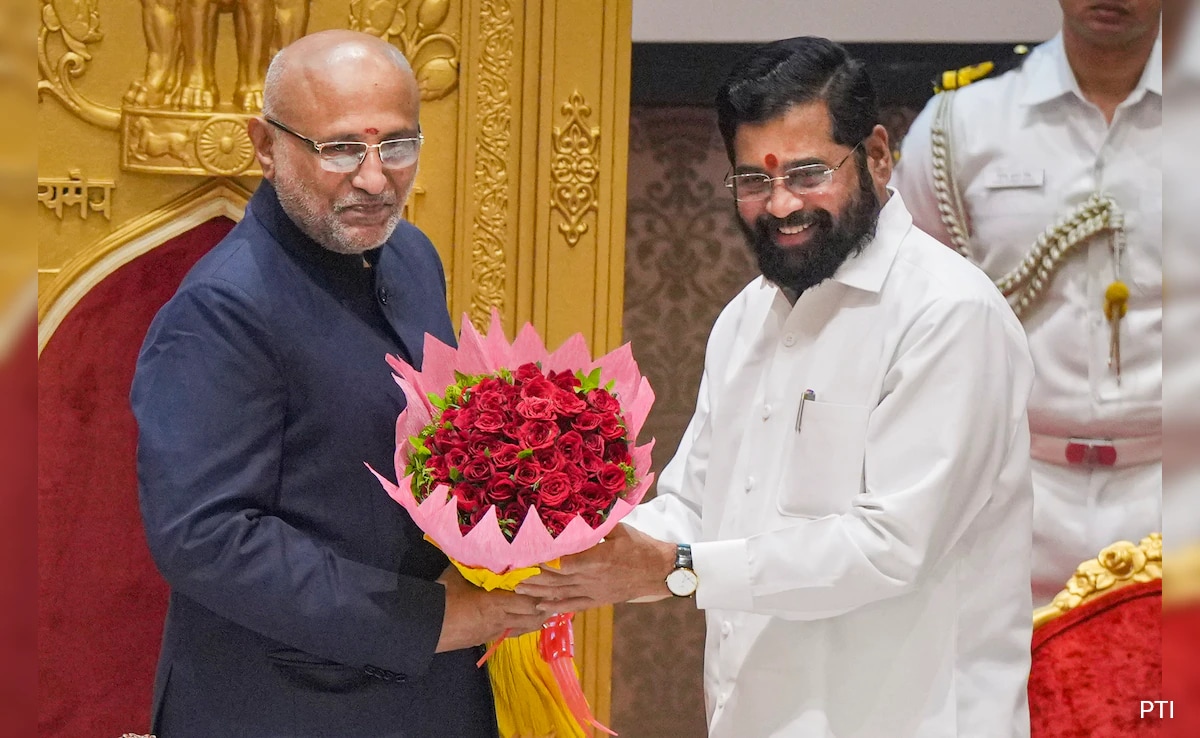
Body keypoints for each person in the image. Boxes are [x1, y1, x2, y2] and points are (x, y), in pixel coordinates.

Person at [518, 36, 1035, 738]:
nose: (781, 204)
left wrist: (675, 570)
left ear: (878, 156)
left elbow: (889, 548)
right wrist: (564, 549)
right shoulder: (748, 316)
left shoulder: (947, 314)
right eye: (754, 182)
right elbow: (697, 508)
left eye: (808, 172)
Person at [130, 30, 545, 738]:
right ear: (265, 146)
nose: (376, 179)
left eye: (399, 145)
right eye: (341, 148)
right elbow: (206, 537)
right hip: (281, 703)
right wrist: (432, 616)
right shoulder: (221, 309)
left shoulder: (411, 256)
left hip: (433, 694)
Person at [892, 0, 1162, 604]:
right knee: (1006, 697)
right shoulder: (961, 123)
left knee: (1168, 702)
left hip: (1175, 488)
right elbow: (902, 308)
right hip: (1010, 490)